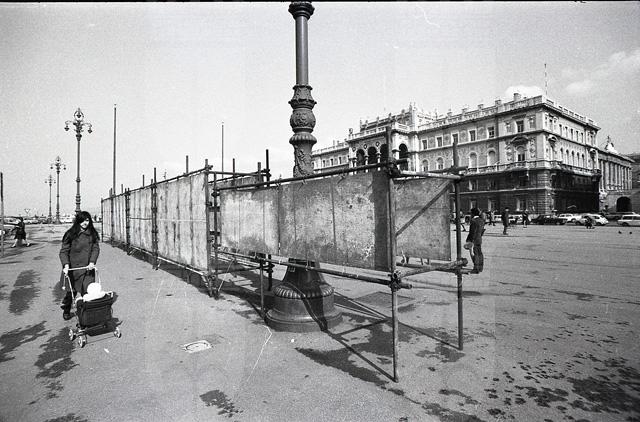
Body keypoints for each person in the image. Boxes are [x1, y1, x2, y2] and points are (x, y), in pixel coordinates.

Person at [59, 211, 100, 320]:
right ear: (78, 221)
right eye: (82, 221)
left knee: (87, 292)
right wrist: (66, 265)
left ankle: (86, 315)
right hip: (73, 269)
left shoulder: (92, 234)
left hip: (87, 269)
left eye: (87, 220)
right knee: (71, 292)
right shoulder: (70, 234)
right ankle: (66, 309)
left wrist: (92, 262)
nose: (85, 223)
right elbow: (63, 251)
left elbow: (95, 249)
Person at [466, 207, 485, 274]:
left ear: (473, 213)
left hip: (474, 239)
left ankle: (476, 269)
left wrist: (469, 240)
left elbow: (472, 232)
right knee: (480, 253)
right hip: (479, 239)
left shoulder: (473, 221)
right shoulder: (481, 220)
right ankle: (480, 268)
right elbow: (482, 230)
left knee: (475, 254)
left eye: (471, 213)